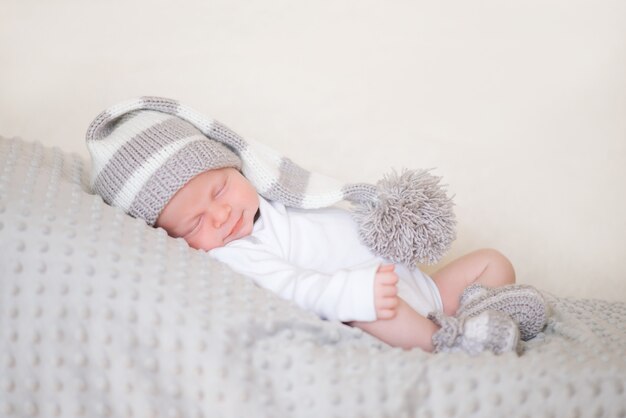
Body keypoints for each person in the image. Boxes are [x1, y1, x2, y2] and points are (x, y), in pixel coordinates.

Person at [86, 96, 548, 355]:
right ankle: (447, 343)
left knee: (491, 260)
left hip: (423, 291)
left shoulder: (277, 193)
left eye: (220, 191)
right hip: (378, 308)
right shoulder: (235, 253)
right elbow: (291, 286)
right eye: (194, 224)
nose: (221, 216)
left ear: (237, 168)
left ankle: (473, 313)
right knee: (373, 313)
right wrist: (351, 294)